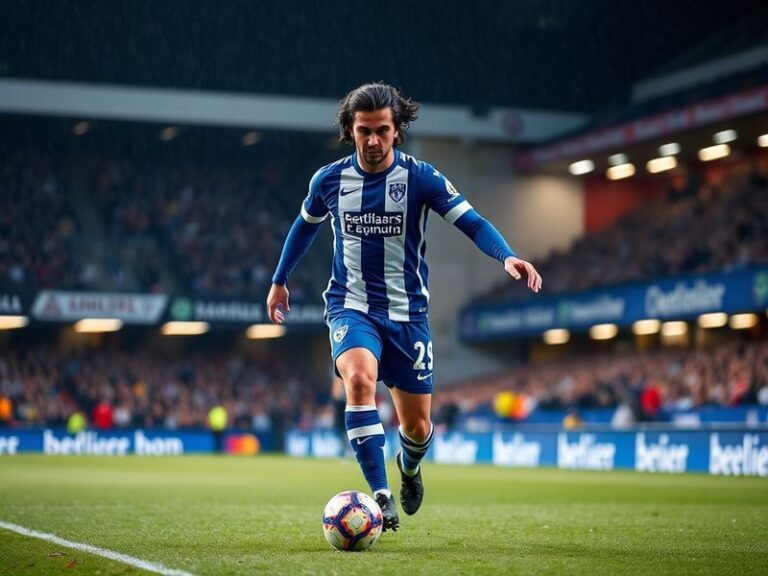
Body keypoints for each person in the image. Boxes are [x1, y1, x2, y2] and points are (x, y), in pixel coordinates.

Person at [267, 83, 541, 532]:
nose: (373, 141)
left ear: (397, 131)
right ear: (349, 131)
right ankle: (379, 495)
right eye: (363, 131)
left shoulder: (421, 178)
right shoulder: (329, 180)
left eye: (382, 131)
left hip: (408, 316)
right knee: (358, 380)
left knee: (416, 427)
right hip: (350, 305)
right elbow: (304, 227)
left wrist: (506, 255)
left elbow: (472, 222)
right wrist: (279, 281)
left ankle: (409, 470)